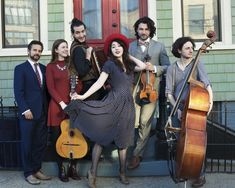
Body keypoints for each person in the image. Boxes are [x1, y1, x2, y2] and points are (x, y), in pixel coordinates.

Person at [63, 33, 151, 188]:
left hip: (127, 106)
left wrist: (128, 55)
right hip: (112, 103)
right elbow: (98, 83)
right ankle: (92, 173)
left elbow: (143, 66)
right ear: (110, 50)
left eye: (119, 46)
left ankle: (122, 173)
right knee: (101, 139)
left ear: (124, 47)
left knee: (123, 141)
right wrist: (82, 96)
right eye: (113, 46)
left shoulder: (129, 65)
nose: (116, 49)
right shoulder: (110, 64)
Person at [165, 37, 213, 187]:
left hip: (195, 110)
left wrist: (209, 103)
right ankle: (182, 172)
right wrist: (176, 109)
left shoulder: (197, 63)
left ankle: (199, 174)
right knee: (181, 143)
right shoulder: (172, 68)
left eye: (192, 48)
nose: (191, 50)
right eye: (187, 48)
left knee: (198, 143)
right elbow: (169, 93)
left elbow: (207, 84)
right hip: (179, 111)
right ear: (179, 50)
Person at [128, 16, 170, 170]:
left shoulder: (159, 47)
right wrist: (137, 68)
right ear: (137, 31)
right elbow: (126, 67)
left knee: (145, 122)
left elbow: (167, 66)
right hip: (134, 89)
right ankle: (126, 149)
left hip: (151, 90)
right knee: (134, 121)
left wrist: (154, 68)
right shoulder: (131, 47)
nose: (143, 32)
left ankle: (137, 154)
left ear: (151, 30)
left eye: (146, 29)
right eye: (141, 29)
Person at [14, 40, 51, 185]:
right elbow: (18, 91)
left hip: (42, 112)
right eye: (35, 50)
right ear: (28, 51)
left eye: (40, 51)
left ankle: (37, 169)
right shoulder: (20, 68)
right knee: (28, 143)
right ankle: (28, 172)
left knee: (40, 143)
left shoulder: (43, 68)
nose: (37, 53)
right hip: (28, 113)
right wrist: (25, 109)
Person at [46, 39, 83, 182]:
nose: (66, 49)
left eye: (67, 47)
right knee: (58, 139)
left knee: (75, 136)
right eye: (63, 47)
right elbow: (51, 88)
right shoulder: (51, 67)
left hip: (72, 106)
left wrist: (76, 89)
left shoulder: (71, 65)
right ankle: (61, 168)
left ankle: (73, 168)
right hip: (57, 107)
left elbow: (78, 87)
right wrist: (62, 103)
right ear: (56, 50)